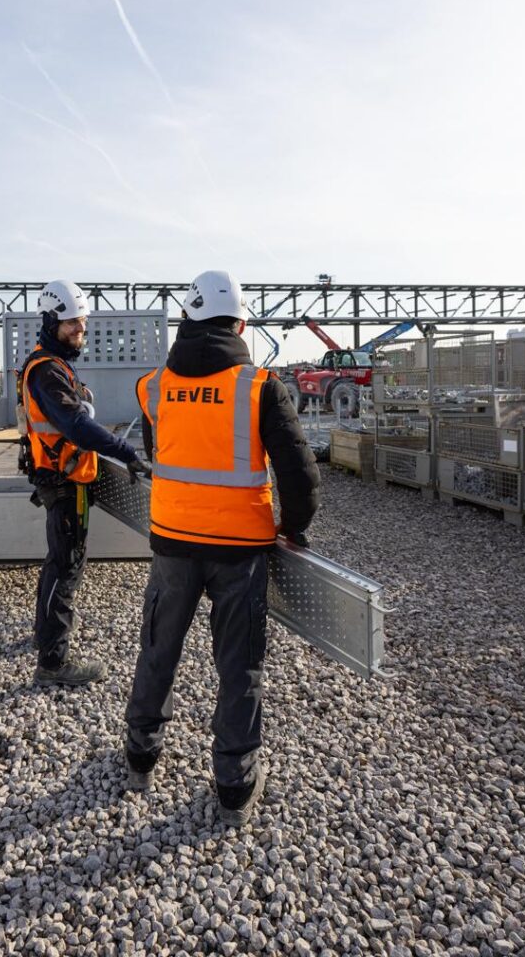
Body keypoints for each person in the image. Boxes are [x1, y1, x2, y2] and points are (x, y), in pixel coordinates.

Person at [124, 270, 321, 826]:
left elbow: (158, 451)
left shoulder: (153, 386)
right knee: (239, 665)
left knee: (159, 649)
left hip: (171, 544)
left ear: (187, 320)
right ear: (239, 323)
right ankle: (233, 784)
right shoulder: (260, 387)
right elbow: (299, 475)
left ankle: (141, 754)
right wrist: (295, 526)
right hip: (240, 551)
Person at [19, 280, 150, 687]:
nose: (81, 330)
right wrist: (126, 452)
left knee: (57, 562)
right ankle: (53, 663)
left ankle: (45, 636)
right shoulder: (47, 372)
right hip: (63, 480)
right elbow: (76, 424)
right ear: (51, 321)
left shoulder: (53, 365)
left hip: (58, 475)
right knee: (66, 565)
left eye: (83, 322)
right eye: (73, 323)